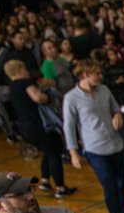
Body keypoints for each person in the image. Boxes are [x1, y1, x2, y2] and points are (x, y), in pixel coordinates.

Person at [63, 59, 124, 213]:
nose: (101, 76)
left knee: (121, 183)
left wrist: (118, 115)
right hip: (95, 149)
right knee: (110, 186)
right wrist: (73, 153)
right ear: (85, 75)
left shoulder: (104, 90)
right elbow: (69, 126)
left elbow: (116, 108)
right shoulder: (71, 98)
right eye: (97, 73)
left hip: (115, 144)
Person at [5, 59, 75, 198]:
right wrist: (46, 96)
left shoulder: (12, 87)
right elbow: (37, 98)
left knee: (48, 152)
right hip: (39, 125)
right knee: (54, 152)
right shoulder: (26, 83)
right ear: (20, 69)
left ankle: (45, 181)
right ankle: (60, 187)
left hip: (25, 126)